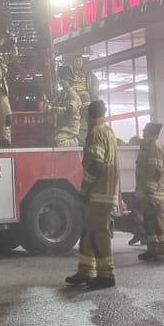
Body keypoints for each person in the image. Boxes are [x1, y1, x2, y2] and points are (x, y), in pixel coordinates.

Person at [64, 100, 119, 289]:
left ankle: (106, 275)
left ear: (89, 115)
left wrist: (84, 188)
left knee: (98, 234)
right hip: (103, 192)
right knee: (88, 232)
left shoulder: (96, 133)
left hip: (99, 193)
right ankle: (86, 271)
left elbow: (95, 164)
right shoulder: (107, 131)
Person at [135, 122, 164, 262]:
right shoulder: (149, 145)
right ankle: (153, 249)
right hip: (147, 191)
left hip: (154, 192)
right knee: (149, 220)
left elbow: (156, 169)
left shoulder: (155, 146)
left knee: (158, 220)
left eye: (145, 130)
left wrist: (150, 189)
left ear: (151, 131)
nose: (143, 132)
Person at [45, 65, 82, 147]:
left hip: (70, 128)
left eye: (63, 79)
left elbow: (68, 111)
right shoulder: (62, 93)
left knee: (59, 142)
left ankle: (75, 141)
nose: (61, 81)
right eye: (60, 79)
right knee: (48, 140)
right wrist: (46, 102)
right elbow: (53, 103)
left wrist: (52, 109)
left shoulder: (73, 95)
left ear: (69, 80)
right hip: (62, 127)